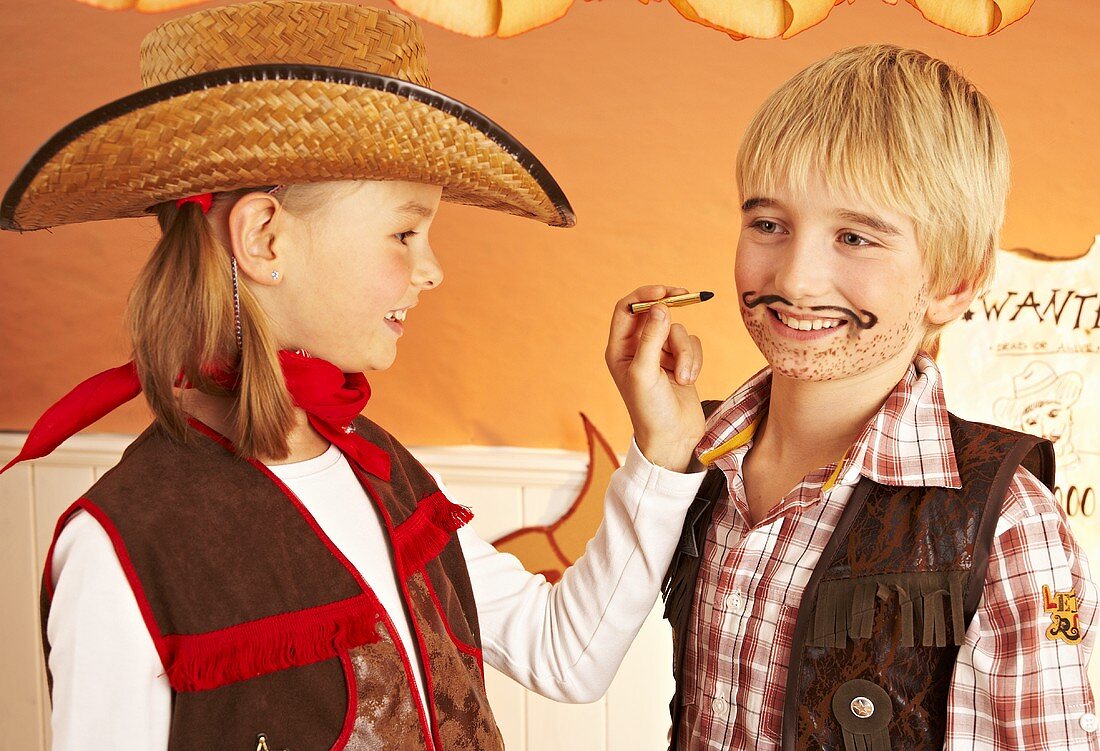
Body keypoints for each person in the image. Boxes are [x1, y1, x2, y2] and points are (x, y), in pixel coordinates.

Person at [0, 2, 708, 749]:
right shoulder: (126, 543)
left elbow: (569, 654)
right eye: (404, 232)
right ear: (265, 238)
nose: (432, 270)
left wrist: (662, 448)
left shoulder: (381, 470)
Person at [661, 44, 1099, 750]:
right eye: (768, 224)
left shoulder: (1013, 527)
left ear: (954, 282)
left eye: (856, 237)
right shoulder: (697, 458)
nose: (798, 279)